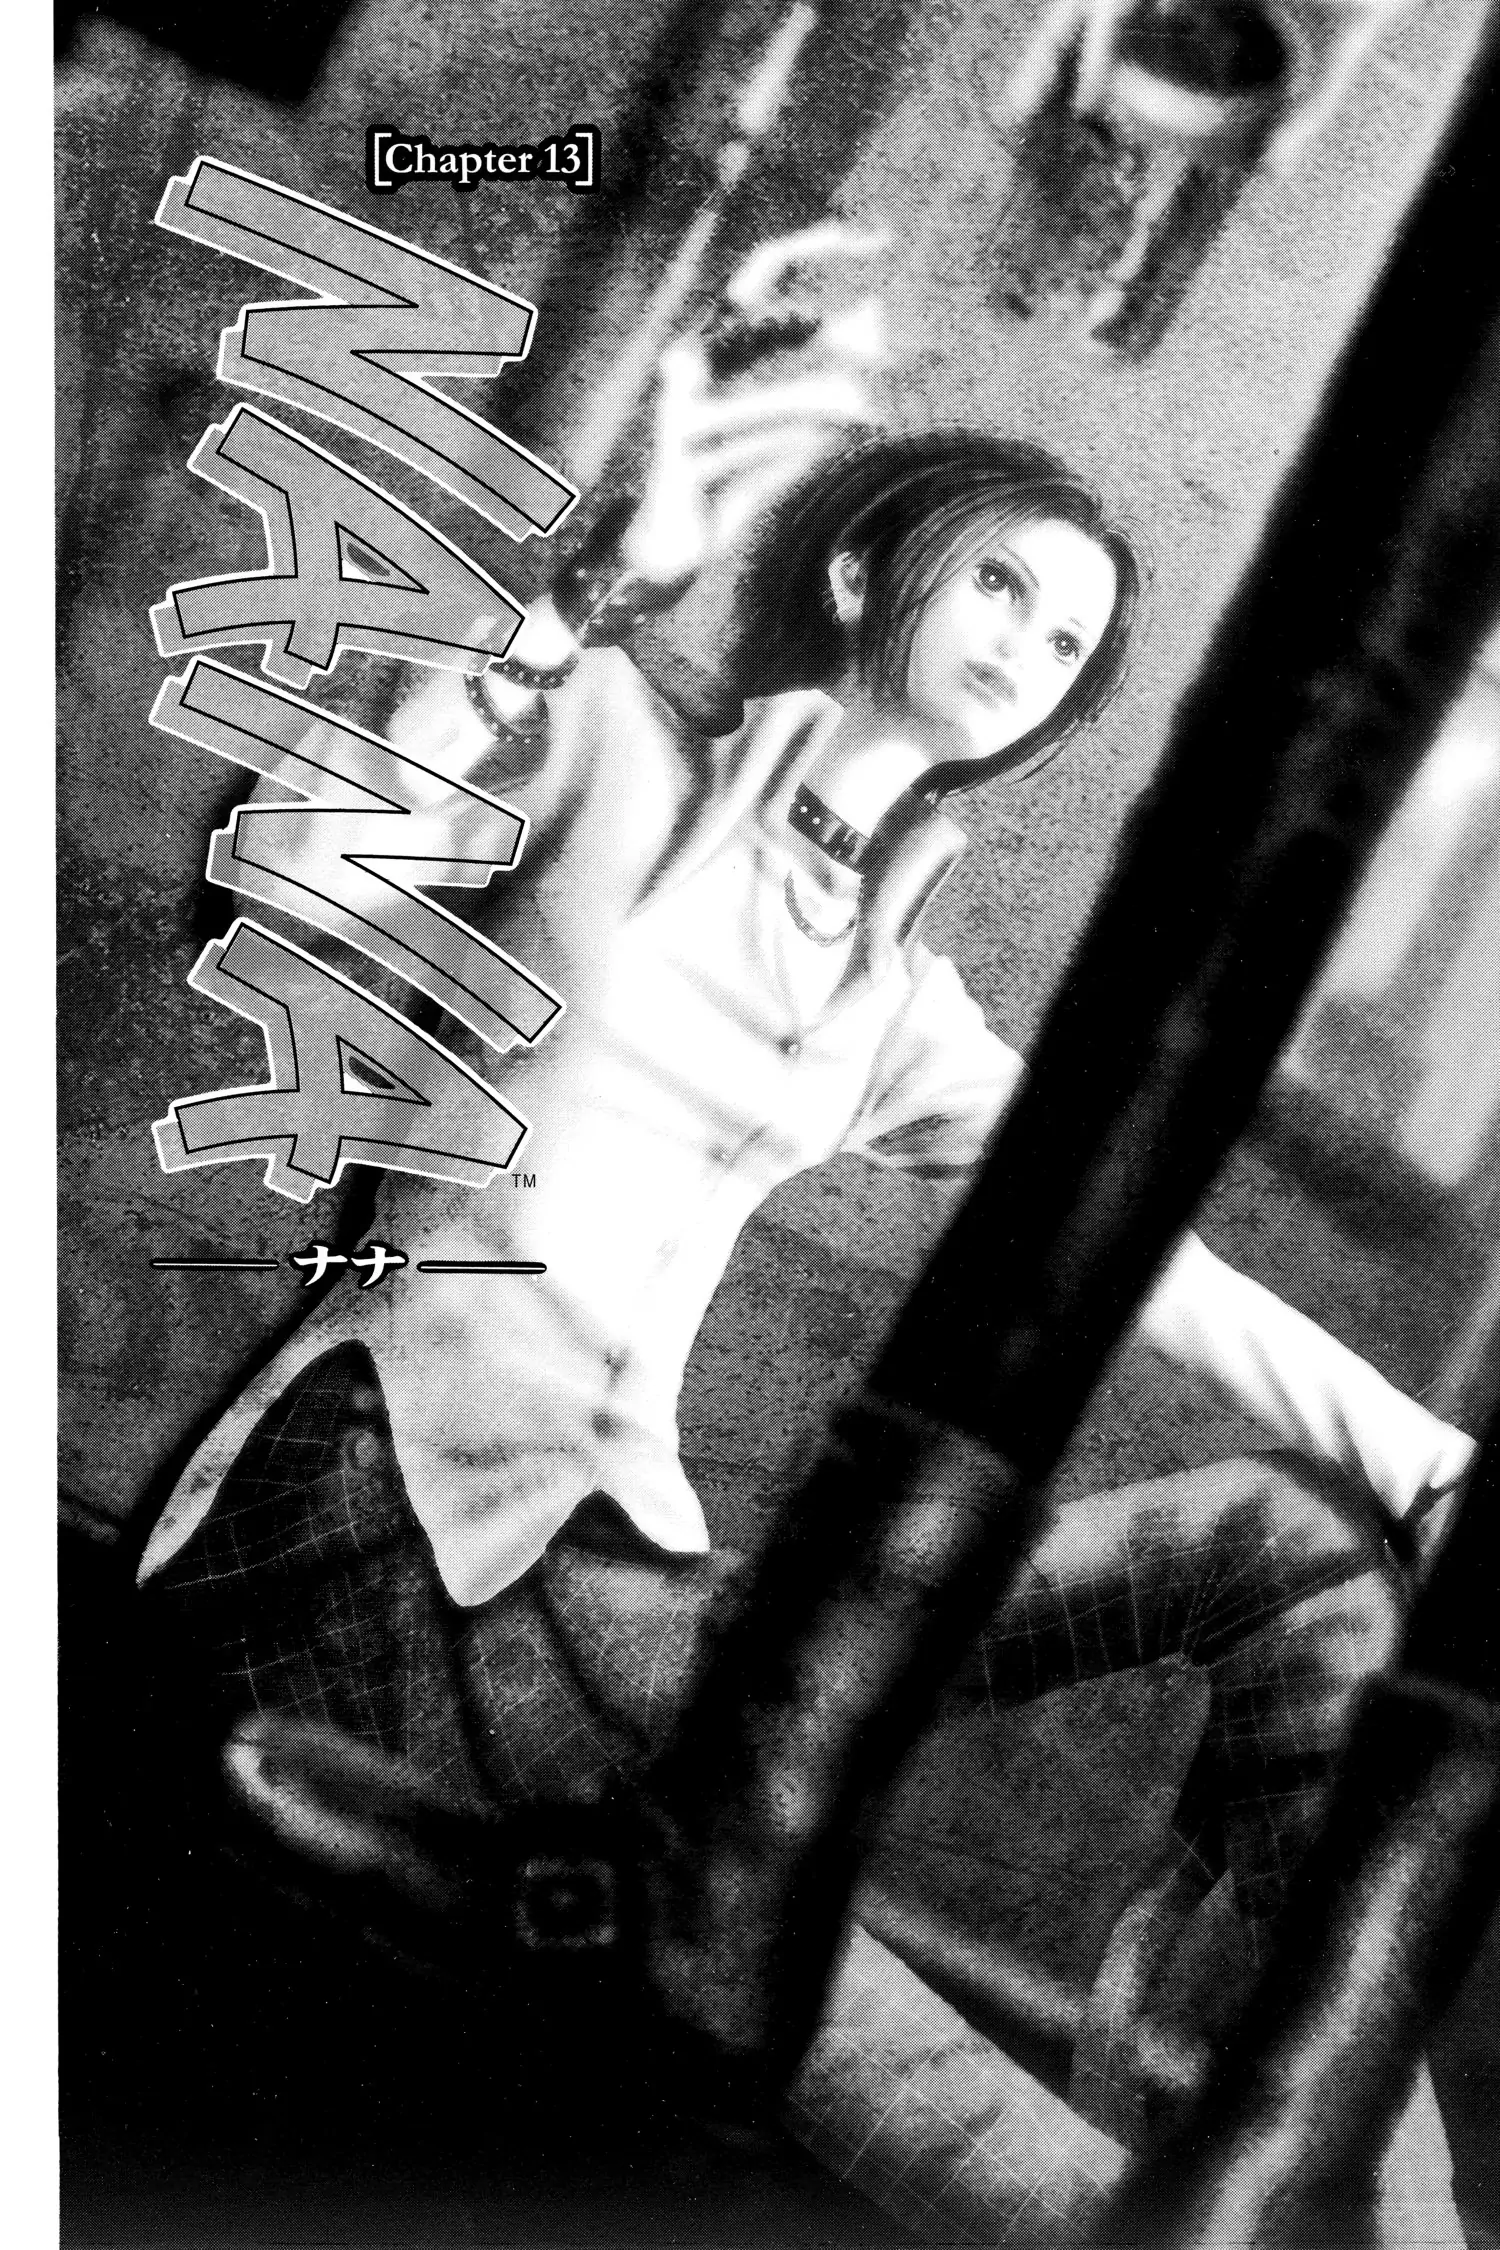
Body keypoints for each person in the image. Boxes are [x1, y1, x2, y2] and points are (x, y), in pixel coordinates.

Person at [138, 242, 1474, 2121]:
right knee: (1233, 1576)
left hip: (637, 1602)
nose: (1025, 644)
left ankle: (1288, 2142)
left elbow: (1142, 1261)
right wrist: (583, 590)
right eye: (1000, 581)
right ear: (862, 573)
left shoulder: (888, 998)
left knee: (1287, 1564)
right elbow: (278, 879)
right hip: (386, 1526)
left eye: (1068, 642)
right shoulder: (608, 737)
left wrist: (1433, 1462)